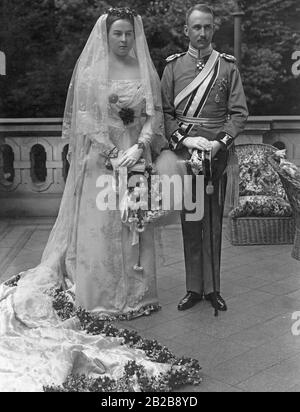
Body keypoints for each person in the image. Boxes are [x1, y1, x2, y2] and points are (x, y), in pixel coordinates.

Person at [0, 8, 177, 392]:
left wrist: (141, 146)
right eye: (118, 33)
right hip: (101, 160)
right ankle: (100, 296)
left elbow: (153, 115)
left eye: (129, 33)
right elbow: (88, 123)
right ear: (106, 35)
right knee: (102, 225)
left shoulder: (143, 69)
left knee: (134, 220)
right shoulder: (92, 73)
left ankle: (136, 296)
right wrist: (114, 156)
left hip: (134, 156)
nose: (124, 40)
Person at [161, 4, 248, 312]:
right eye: (196, 27)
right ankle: (193, 288)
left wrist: (219, 143)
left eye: (207, 27)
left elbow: (238, 113)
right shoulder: (172, 68)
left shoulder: (226, 67)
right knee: (191, 219)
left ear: (213, 29)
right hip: (185, 154)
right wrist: (184, 139)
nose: (201, 33)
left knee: (213, 221)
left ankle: (213, 288)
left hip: (216, 154)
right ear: (186, 30)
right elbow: (164, 113)